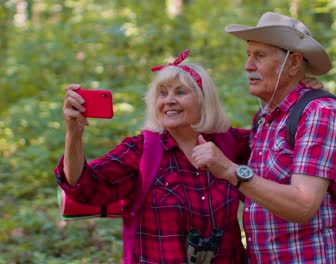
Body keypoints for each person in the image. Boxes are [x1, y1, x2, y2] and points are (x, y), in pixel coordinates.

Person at [54, 49, 250, 264]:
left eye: (180, 92)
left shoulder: (231, 143)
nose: (169, 100)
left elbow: (278, 170)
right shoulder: (141, 151)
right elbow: (83, 187)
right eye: (163, 93)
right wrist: (74, 133)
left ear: (204, 100)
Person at [192, 12, 336, 263]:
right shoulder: (266, 116)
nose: (248, 66)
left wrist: (231, 170)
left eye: (260, 56)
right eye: (248, 55)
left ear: (294, 63)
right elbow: (262, 191)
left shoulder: (319, 113)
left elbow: (303, 206)